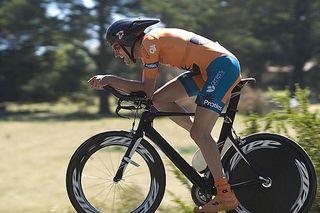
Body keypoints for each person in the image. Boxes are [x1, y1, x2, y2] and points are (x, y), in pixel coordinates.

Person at [88, 18, 241, 213]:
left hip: (221, 68)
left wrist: (110, 79)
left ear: (126, 39)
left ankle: (225, 195)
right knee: (160, 100)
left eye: (116, 47)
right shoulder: (149, 44)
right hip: (207, 70)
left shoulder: (149, 43)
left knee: (198, 133)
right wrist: (114, 83)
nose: (115, 53)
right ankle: (213, 145)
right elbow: (152, 95)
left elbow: (146, 89)